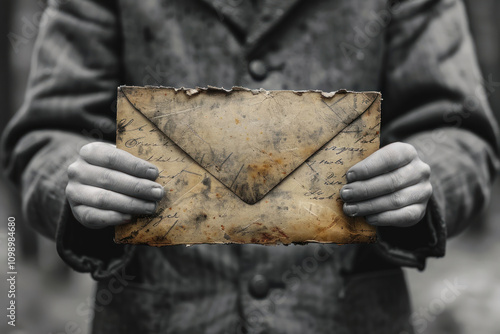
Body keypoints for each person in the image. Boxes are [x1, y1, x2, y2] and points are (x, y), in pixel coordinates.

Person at [2, 0, 499, 333]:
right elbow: (48, 132)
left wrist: (423, 179)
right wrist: (73, 181)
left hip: (346, 314)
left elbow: (459, 129)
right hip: (158, 314)